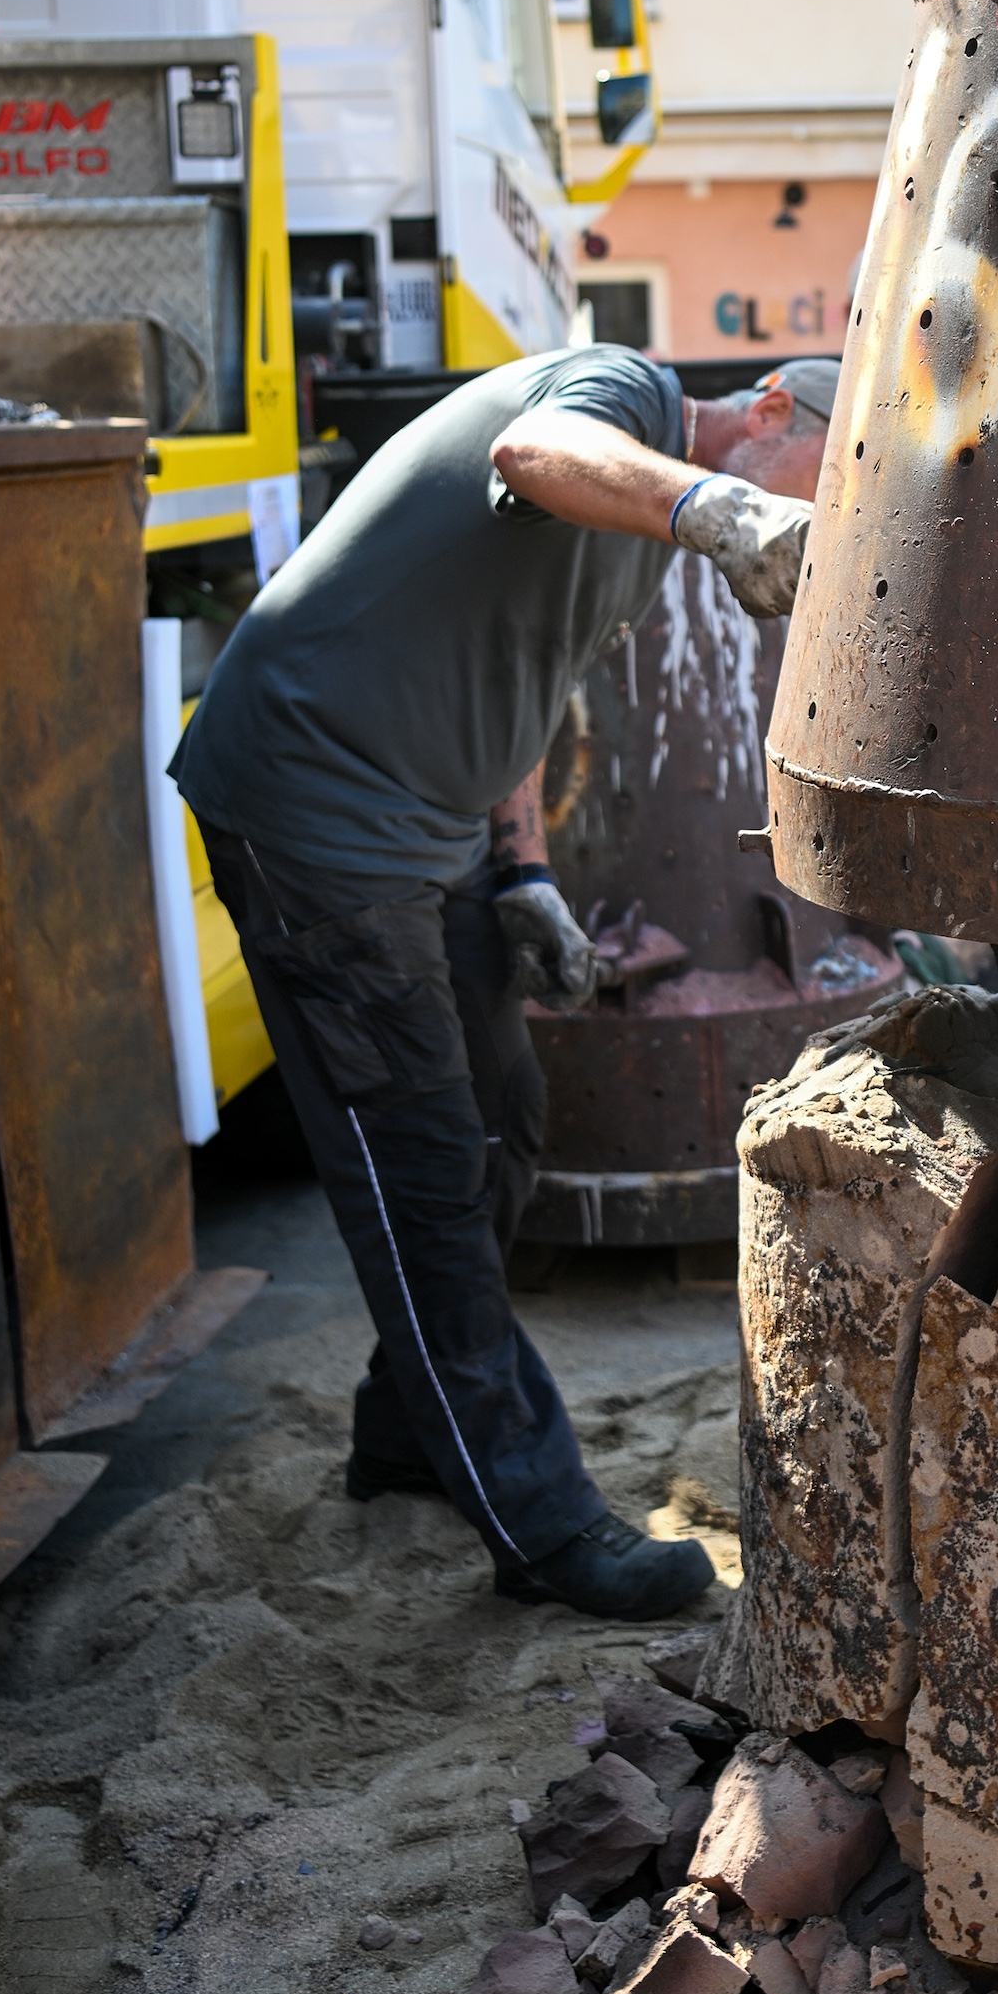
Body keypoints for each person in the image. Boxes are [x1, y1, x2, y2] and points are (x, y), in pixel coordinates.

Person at [173, 347, 832, 1621]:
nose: (824, 511)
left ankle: (407, 1435)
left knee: (504, 1118)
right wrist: (723, 509)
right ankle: (542, 1529)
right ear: (766, 412)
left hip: (435, 832)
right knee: (418, 1162)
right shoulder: (618, 395)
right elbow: (530, 456)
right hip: (312, 806)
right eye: (828, 475)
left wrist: (522, 869)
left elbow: (526, 680)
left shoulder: (639, 533)